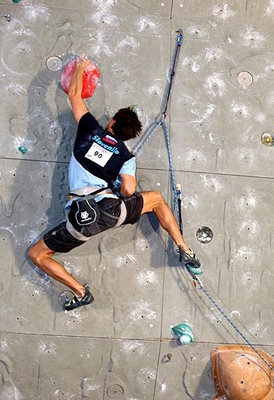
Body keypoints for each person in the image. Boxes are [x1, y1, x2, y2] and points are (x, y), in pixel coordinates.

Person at [28, 55, 201, 311]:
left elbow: (74, 94)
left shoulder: (90, 130)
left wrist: (80, 67)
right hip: (112, 211)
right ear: (128, 136)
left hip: (82, 219)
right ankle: (184, 248)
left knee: (37, 254)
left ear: (112, 122)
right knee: (155, 199)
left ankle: (80, 291)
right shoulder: (126, 157)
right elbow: (129, 189)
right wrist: (119, 189)